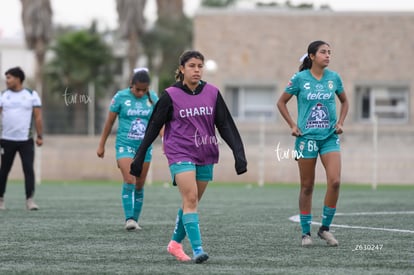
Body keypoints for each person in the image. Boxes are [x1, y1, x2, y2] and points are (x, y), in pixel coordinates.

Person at [130, 50, 247, 263]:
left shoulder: (212, 93)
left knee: (190, 202)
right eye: (192, 66)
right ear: (182, 69)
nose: (196, 70)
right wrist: (139, 156)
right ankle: (198, 249)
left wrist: (239, 154)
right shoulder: (170, 95)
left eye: (200, 66)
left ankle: (175, 244)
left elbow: (225, 125)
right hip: (179, 152)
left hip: (206, 151)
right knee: (190, 198)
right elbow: (154, 126)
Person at [277, 40, 349, 247]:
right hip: (305, 140)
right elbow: (281, 102)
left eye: (329, 52)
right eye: (323, 52)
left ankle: (325, 229)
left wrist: (341, 122)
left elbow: (345, 101)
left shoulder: (334, 78)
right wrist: (292, 124)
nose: (327, 55)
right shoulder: (299, 79)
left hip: (329, 138)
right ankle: (305, 233)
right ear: (311, 56)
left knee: (335, 181)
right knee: (307, 186)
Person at [97, 68, 160, 231]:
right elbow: (109, 123)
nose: (140, 93)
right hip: (125, 145)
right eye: (137, 89)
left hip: (145, 147)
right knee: (129, 180)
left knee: (139, 184)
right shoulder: (120, 97)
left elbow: (159, 123)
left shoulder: (153, 98)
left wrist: (165, 139)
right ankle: (129, 219)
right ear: (131, 85)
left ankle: (135, 221)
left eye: (144, 90)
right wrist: (101, 144)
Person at [0, 67, 43, 210]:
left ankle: (29, 200)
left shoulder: (31, 95)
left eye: (9, 78)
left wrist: (40, 136)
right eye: (6, 78)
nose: (7, 81)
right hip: (6, 139)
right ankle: (0, 199)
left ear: (18, 79)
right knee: (4, 170)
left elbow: (37, 117)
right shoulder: (3, 95)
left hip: (25, 140)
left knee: (28, 169)